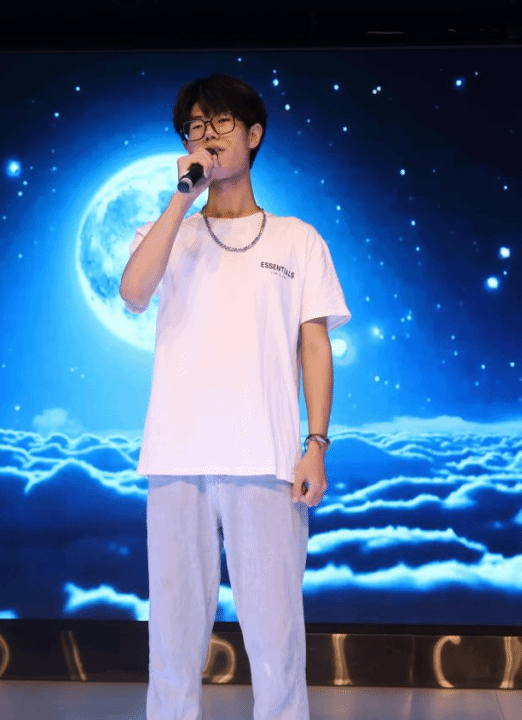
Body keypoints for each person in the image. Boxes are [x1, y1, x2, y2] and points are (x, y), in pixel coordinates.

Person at [119, 73, 351, 720]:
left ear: (253, 134)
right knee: (172, 637)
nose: (207, 136)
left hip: (266, 459)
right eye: (195, 127)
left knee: (276, 638)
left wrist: (316, 444)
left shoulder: (298, 239)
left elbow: (314, 346)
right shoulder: (167, 232)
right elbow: (133, 294)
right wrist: (180, 200)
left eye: (220, 123)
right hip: (175, 459)